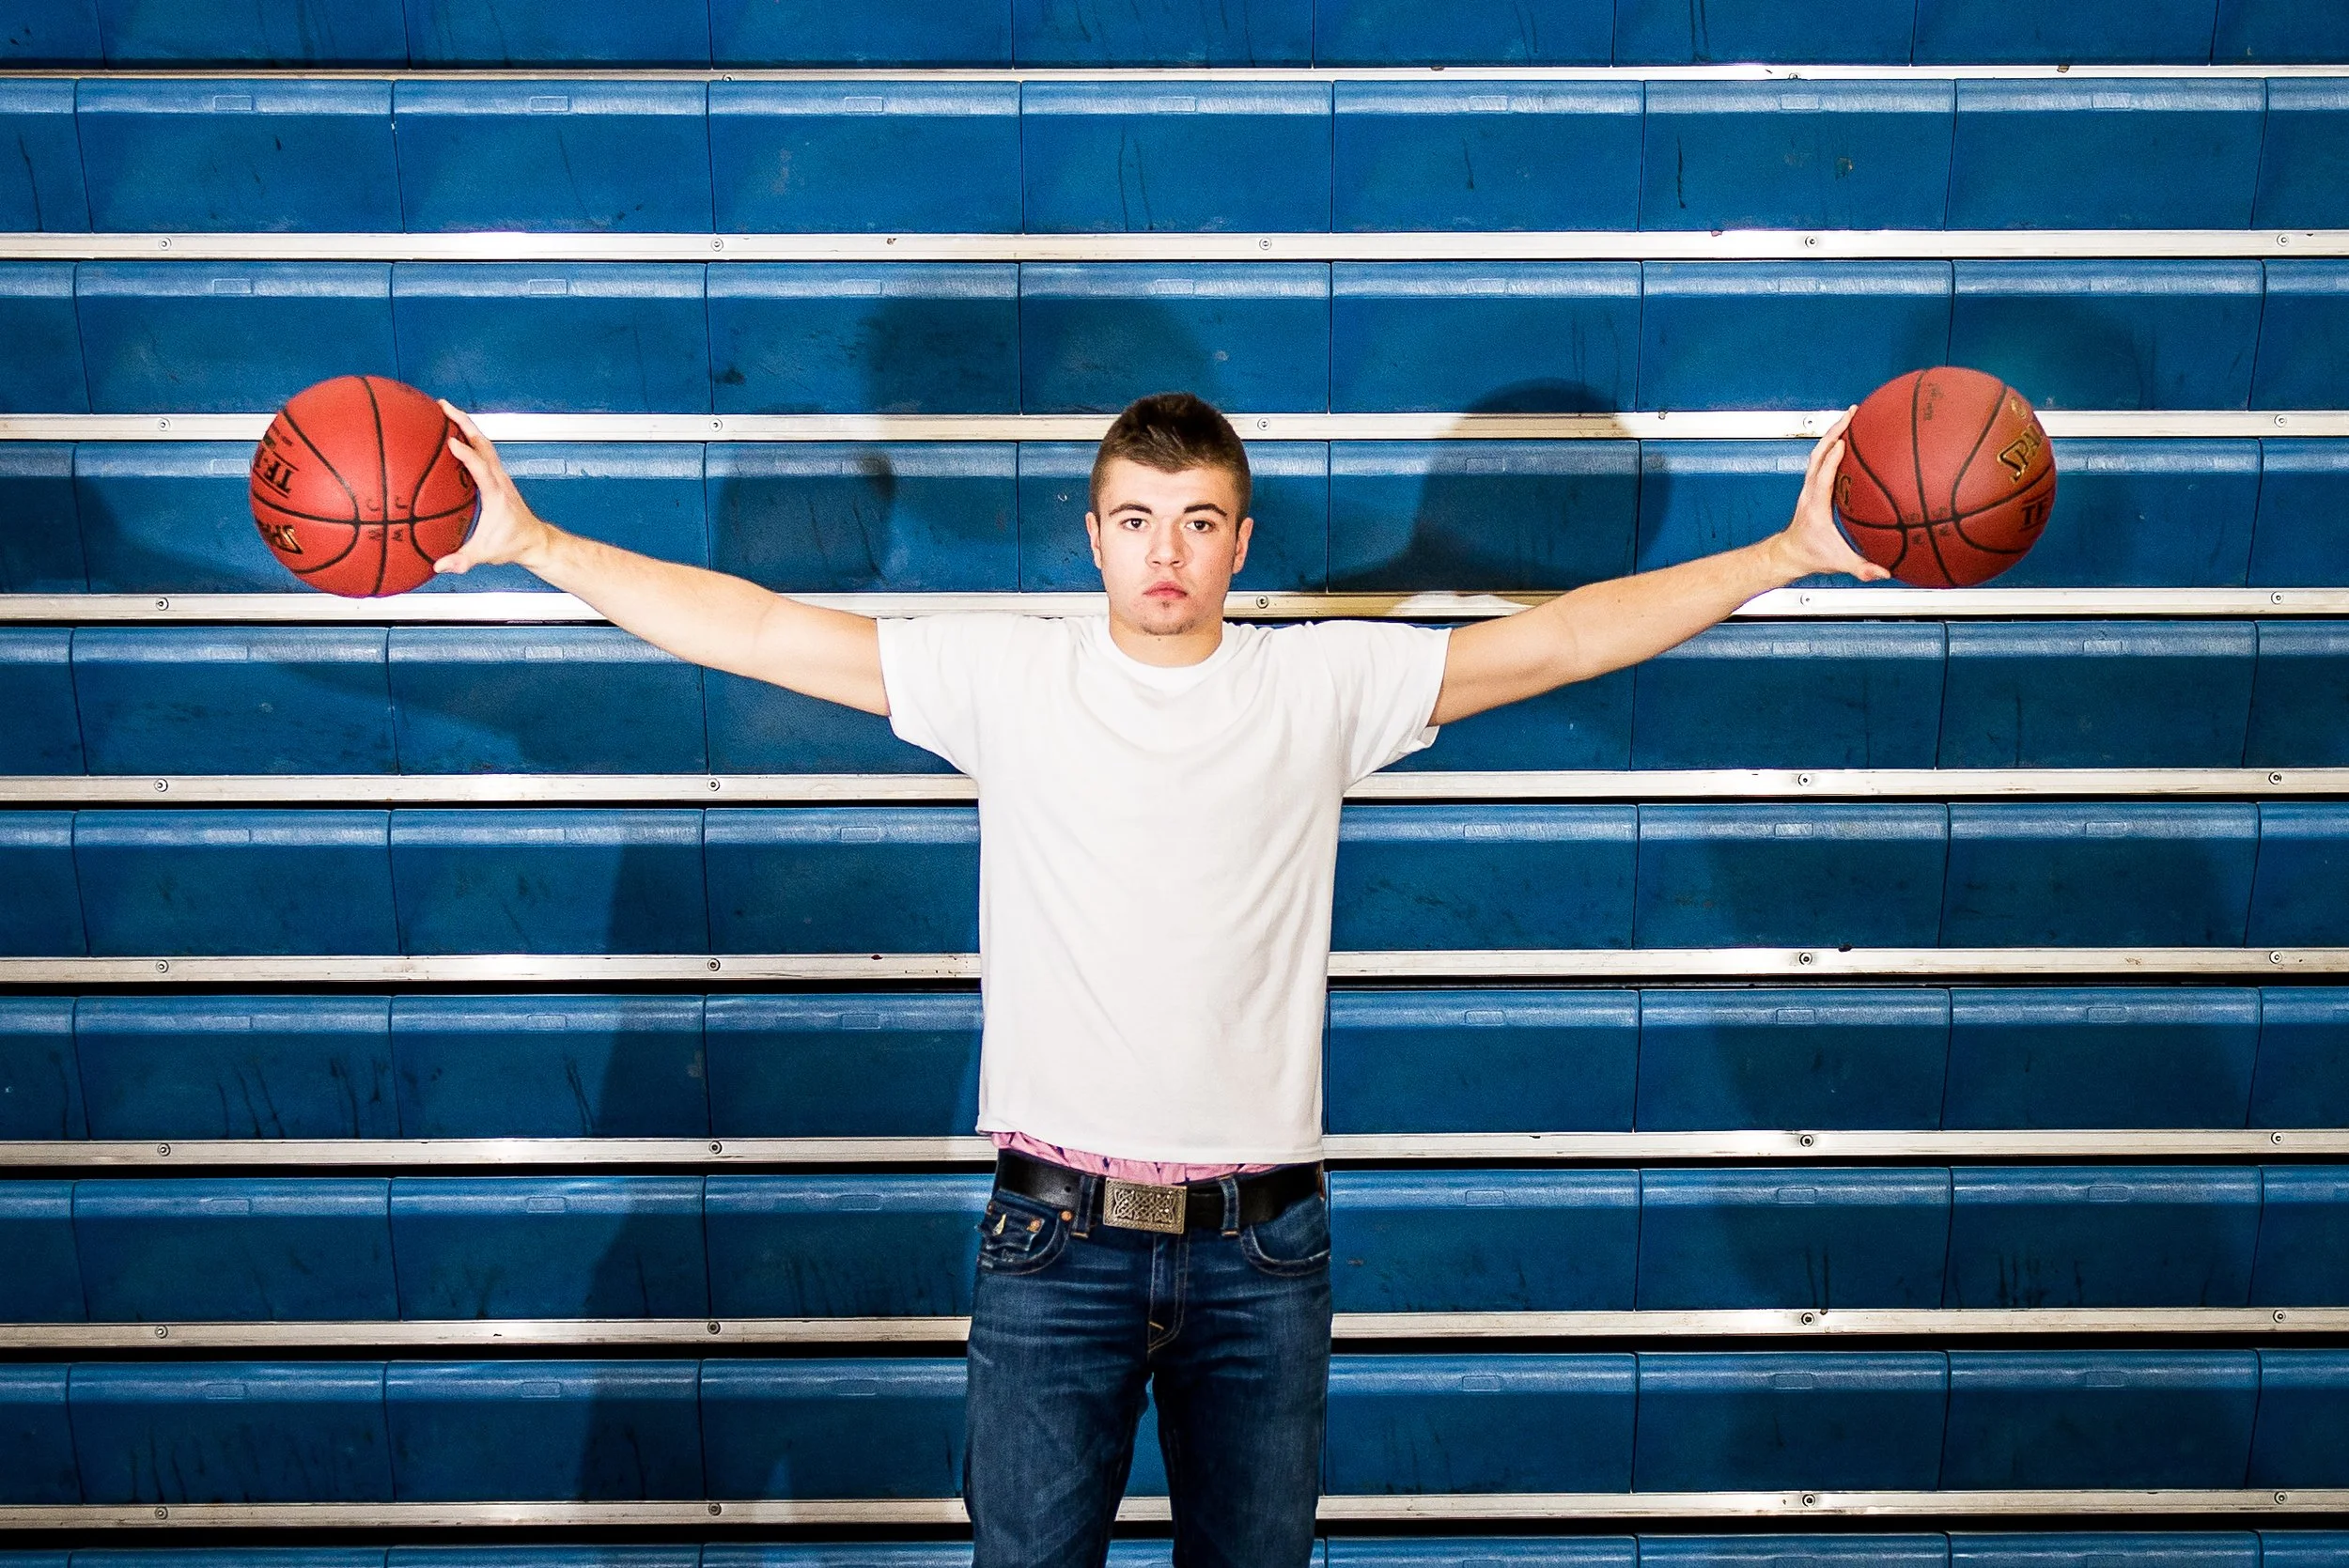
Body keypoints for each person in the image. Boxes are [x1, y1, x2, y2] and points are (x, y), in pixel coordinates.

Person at [432, 390, 1887, 1568]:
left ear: (1241, 541)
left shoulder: (1324, 686)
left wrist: (1788, 554)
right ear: (1094, 538)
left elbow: (1562, 638)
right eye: (1137, 521)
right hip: (1054, 1247)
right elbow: (755, 627)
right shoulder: (1009, 683)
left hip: (1264, 1254)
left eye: (1197, 522)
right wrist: (536, 542)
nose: (1166, 551)